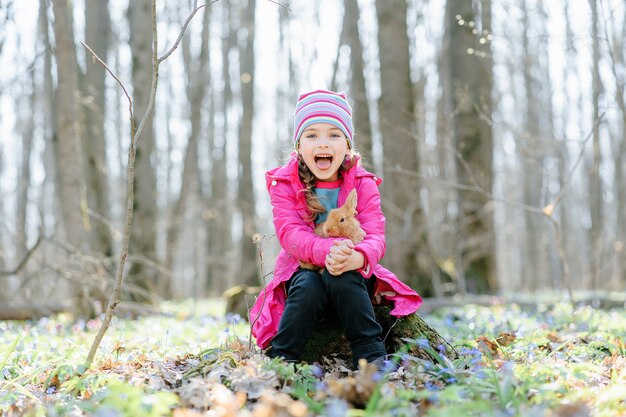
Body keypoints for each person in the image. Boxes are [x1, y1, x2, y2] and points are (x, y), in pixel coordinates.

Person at [249, 89, 422, 369]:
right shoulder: (285, 184)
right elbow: (290, 234)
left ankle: (371, 353)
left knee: (343, 276)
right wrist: (329, 249)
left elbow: (375, 232)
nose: (323, 143)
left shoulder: (361, 182)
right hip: (303, 270)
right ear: (299, 146)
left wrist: (360, 256)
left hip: (350, 269)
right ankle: (282, 357)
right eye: (312, 135)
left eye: (334, 135)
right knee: (307, 287)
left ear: (347, 144)